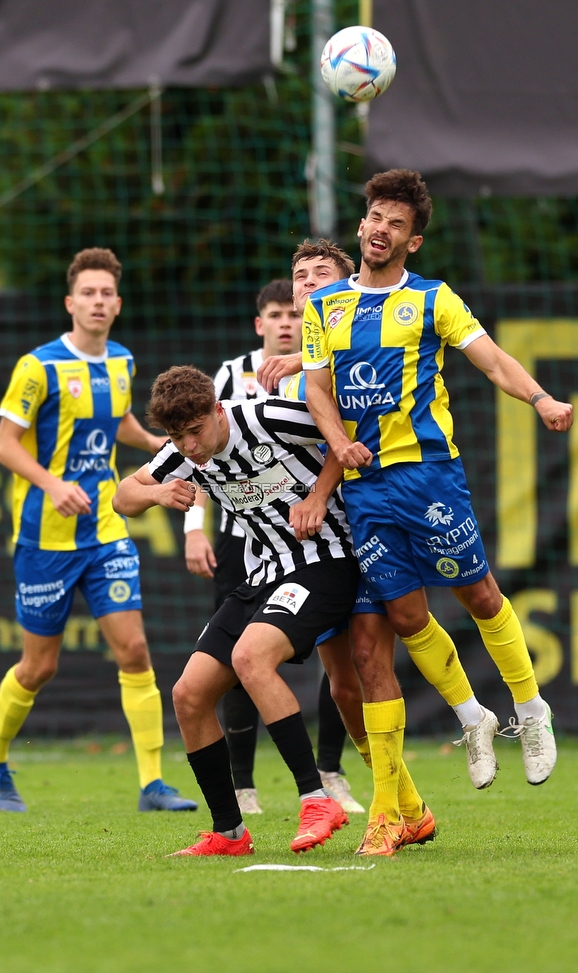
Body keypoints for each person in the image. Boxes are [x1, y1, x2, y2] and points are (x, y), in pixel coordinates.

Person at [301, 170, 572, 849]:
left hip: (428, 479)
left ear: (411, 241)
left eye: (394, 222)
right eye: (373, 216)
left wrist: (540, 399)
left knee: (478, 594)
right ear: (361, 225)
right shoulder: (325, 305)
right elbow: (316, 386)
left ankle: (530, 709)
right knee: (404, 614)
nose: (379, 228)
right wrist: (338, 441)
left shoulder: (432, 300)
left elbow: (492, 360)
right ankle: (472, 716)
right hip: (365, 491)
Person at [113, 366, 401, 856]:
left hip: (325, 561)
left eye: (196, 432)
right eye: (177, 437)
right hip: (262, 576)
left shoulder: (266, 417)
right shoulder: (181, 454)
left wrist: (317, 494)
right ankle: (229, 832)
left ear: (217, 411)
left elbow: (343, 435)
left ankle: (317, 799)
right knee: (188, 695)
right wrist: (158, 492)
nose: (189, 447)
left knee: (253, 659)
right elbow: (123, 495)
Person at [0, 247, 197, 815]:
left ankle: (152, 784)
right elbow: (3, 445)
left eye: (106, 294)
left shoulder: (120, 360)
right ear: (71, 303)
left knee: (135, 649)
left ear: (117, 305)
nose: (98, 302)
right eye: (88, 294)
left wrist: (147, 441)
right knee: (39, 666)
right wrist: (51, 484)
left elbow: (117, 416)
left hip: (104, 529)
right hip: (45, 538)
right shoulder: (38, 366)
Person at [184, 278, 364, 815]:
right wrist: (192, 523)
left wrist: (316, 494)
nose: (288, 319)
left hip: (321, 543)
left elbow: (342, 434)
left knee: (345, 671)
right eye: (276, 312)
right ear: (259, 323)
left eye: (297, 309)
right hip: (250, 549)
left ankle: (331, 777)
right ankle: (240, 792)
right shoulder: (226, 386)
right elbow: (181, 458)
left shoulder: (321, 370)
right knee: (220, 672)